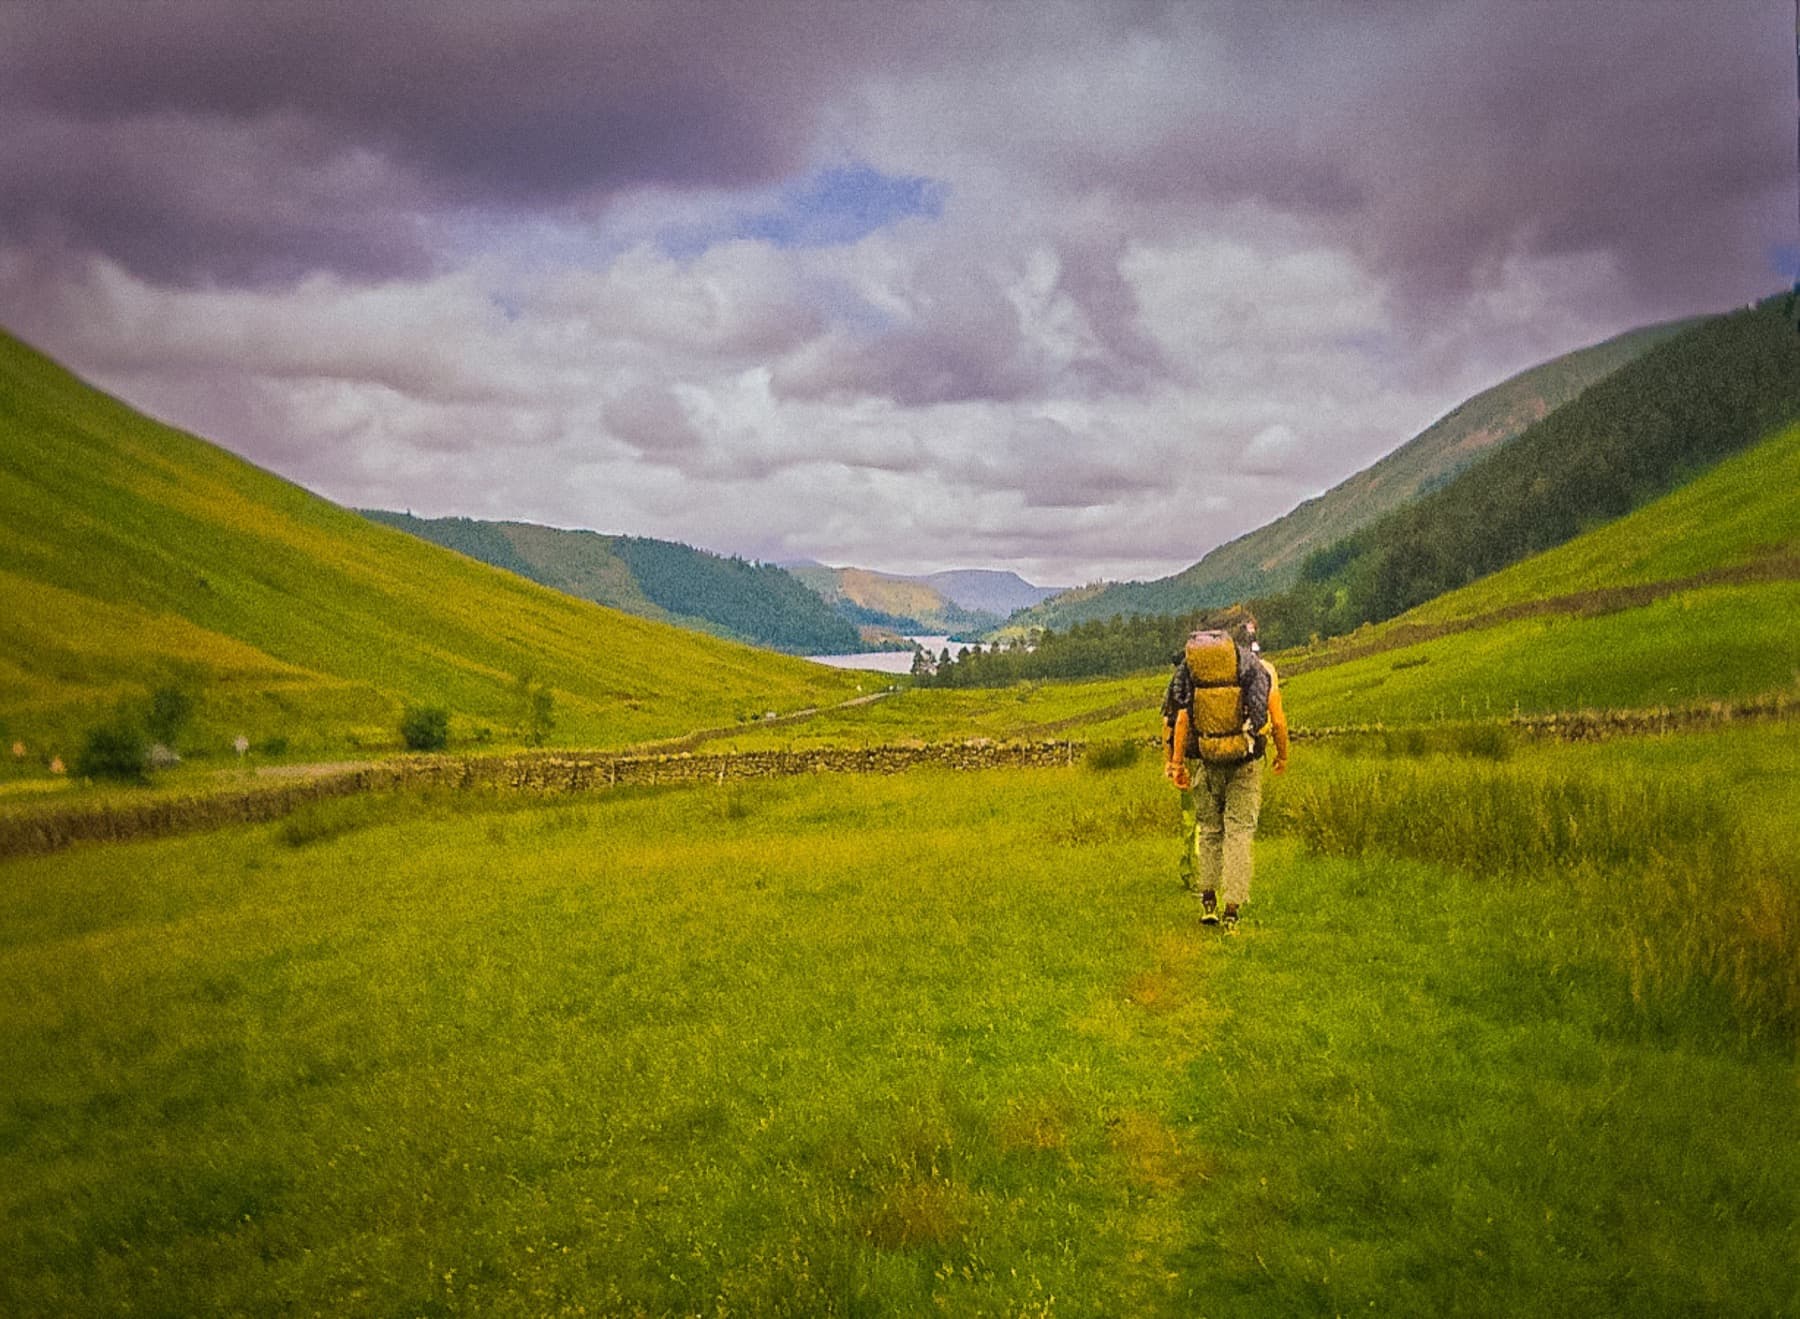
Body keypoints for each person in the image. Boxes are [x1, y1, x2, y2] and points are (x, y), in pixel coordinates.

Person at [1161, 616, 1289, 930]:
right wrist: (1282, 755)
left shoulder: (1195, 674)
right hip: (1245, 763)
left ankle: (1207, 899)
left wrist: (1176, 764)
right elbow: (1278, 722)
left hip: (1207, 761)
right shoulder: (1263, 672)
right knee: (1239, 835)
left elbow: (1179, 720)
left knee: (1209, 832)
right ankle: (1232, 910)